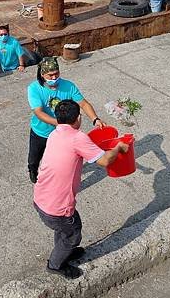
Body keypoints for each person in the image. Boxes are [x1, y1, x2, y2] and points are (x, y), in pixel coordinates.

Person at [33, 99, 129, 279]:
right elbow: (106, 160)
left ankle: (65, 251)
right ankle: (55, 264)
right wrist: (118, 147)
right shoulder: (78, 137)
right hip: (57, 208)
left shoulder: (55, 134)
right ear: (78, 118)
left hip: (41, 199)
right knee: (72, 235)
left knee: (64, 229)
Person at [27, 56, 107, 184]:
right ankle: (32, 170)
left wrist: (95, 119)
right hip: (40, 132)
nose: (54, 78)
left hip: (63, 136)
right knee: (34, 157)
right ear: (42, 74)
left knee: (58, 161)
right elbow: (39, 112)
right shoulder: (34, 89)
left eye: (56, 73)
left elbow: (84, 104)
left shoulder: (68, 86)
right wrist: (62, 124)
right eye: (50, 75)